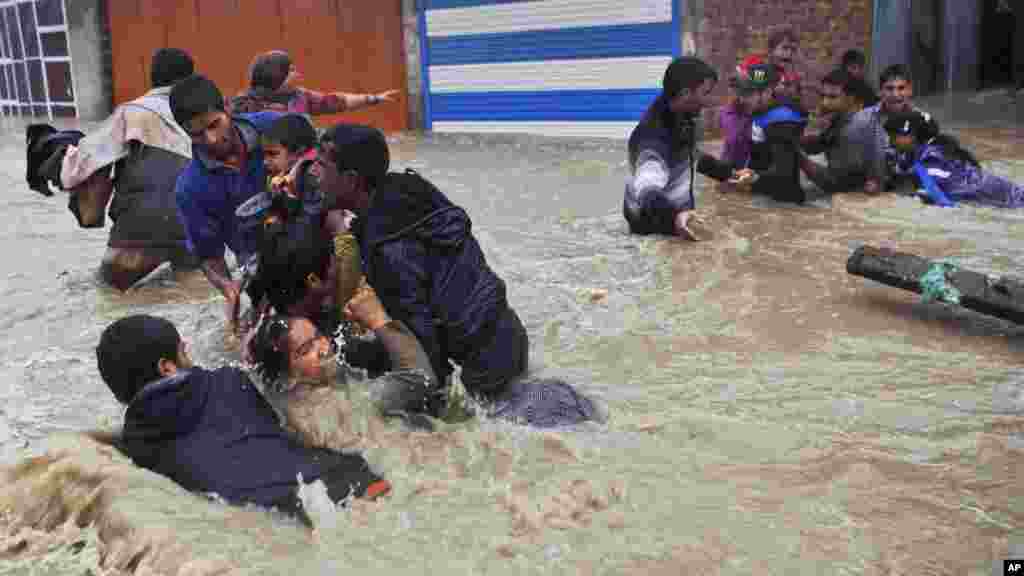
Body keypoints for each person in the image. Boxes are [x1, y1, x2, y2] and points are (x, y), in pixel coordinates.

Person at [94, 314, 391, 523]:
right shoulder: (229, 381)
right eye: (183, 351)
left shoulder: (136, 447)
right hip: (347, 483)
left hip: (270, 520)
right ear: (168, 367)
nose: (190, 357)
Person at [316, 123, 531, 410]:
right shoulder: (407, 192)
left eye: (322, 167)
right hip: (508, 335)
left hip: (484, 371)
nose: (315, 176)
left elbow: (425, 365)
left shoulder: (390, 249)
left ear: (352, 179)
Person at [24, 48, 198, 290]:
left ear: (152, 77)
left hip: (139, 230)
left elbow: (83, 164)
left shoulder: (133, 112)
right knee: (192, 294)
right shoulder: (206, 114)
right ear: (192, 79)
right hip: (197, 227)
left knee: (109, 295)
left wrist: (58, 162)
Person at [170, 74, 283, 331]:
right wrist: (229, 289)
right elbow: (209, 256)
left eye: (214, 125)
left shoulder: (273, 127)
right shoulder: (190, 188)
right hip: (261, 270)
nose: (210, 139)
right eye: (196, 134)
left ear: (227, 108)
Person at [624, 57, 741, 239]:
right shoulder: (653, 136)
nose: (708, 100)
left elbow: (689, 155)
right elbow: (646, 188)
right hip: (654, 231)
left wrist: (728, 173)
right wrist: (676, 217)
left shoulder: (680, 115)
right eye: (705, 93)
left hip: (675, 222)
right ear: (686, 93)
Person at [883, 110, 1024, 208]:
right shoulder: (922, 152)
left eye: (895, 135)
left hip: (1011, 200)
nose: (891, 139)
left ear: (912, 137)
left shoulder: (930, 164)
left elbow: (941, 203)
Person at [228, 50, 399, 116]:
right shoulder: (245, 105)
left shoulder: (300, 97)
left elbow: (336, 101)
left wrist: (373, 98)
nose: (298, 74)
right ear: (277, 77)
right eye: (292, 70)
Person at [856, 64, 939, 194]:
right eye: (889, 89)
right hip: (869, 184)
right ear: (880, 91)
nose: (895, 94)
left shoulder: (923, 122)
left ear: (910, 90)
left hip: (906, 185)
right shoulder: (862, 119)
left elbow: (930, 160)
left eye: (901, 88)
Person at [735, 61, 809, 203]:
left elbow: (783, 173)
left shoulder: (780, 121)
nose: (742, 99)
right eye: (741, 93)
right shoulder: (761, 111)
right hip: (763, 195)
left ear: (767, 92)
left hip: (782, 204)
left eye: (748, 93)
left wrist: (752, 176)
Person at [798, 69, 875, 194]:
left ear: (851, 99)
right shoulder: (841, 116)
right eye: (823, 96)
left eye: (832, 97)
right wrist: (794, 139)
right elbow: (822, 143)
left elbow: (837, 185)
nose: (825, 103)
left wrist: (799, 158)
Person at [766, 28, 803, 104]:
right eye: (785, 48)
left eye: (793, 49)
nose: (789, 53)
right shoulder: (760, 72)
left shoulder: (794, 78)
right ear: (771, 50)